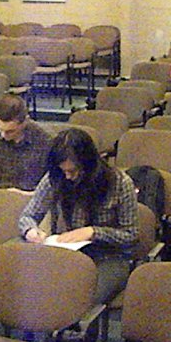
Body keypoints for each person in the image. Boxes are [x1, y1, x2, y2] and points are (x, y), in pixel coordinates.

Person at [17, 128, 139, 305]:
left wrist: (93, 232)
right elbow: (28, 215)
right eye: (63, 171)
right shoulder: (57, 177)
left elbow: (131, 235)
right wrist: (30, 230)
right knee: (31, 284)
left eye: (73, 171)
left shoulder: (120, 183)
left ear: (89, 165)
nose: (68, 176)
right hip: (68, 252)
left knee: (81, 297)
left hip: (109, 257)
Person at [0, 94, 52, 191]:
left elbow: (54, 187)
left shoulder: (44, 140)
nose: (3, 135)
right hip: (0, 194)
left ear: (25, 121)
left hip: (32, 196)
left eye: (10, 131)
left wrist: (25, 195)